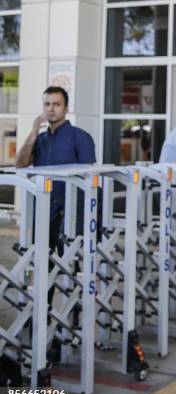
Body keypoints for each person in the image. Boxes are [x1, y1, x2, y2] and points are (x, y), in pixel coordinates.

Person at [15, 86, 96, 307]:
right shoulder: (39, 139)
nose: (51, 109)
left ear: (66, 108)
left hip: (71, 215)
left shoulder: (81, 137)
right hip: (43, 213)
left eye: (56, 104)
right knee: (43, 267)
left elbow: (87, 179)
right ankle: (44, 314)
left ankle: (75, 320)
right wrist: (32, 133)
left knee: (75, 270)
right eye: (47, 104)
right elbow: (20, 164)